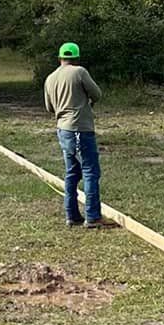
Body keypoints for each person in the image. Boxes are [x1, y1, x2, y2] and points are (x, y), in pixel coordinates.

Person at [43, 41, 108, 230]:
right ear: (77, 57)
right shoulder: (79, 72)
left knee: (72, 173)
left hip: (63, 130)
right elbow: (97, 94)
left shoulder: (50, 78)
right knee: (90, 172)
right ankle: (93, 217)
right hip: (80, 129)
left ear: (60, 57)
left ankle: (72, 215)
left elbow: (49, 108)